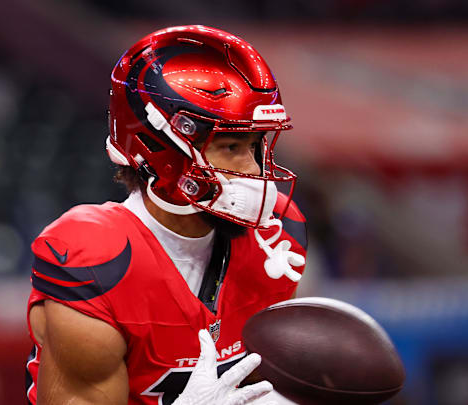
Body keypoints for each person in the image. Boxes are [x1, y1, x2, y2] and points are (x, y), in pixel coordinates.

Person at [25, 25, 308, 405]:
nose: (254, 170)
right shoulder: (99, 263)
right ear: (162, 147)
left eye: (255, 146)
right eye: (230, 146)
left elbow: (264, 378)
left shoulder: (276, 234)